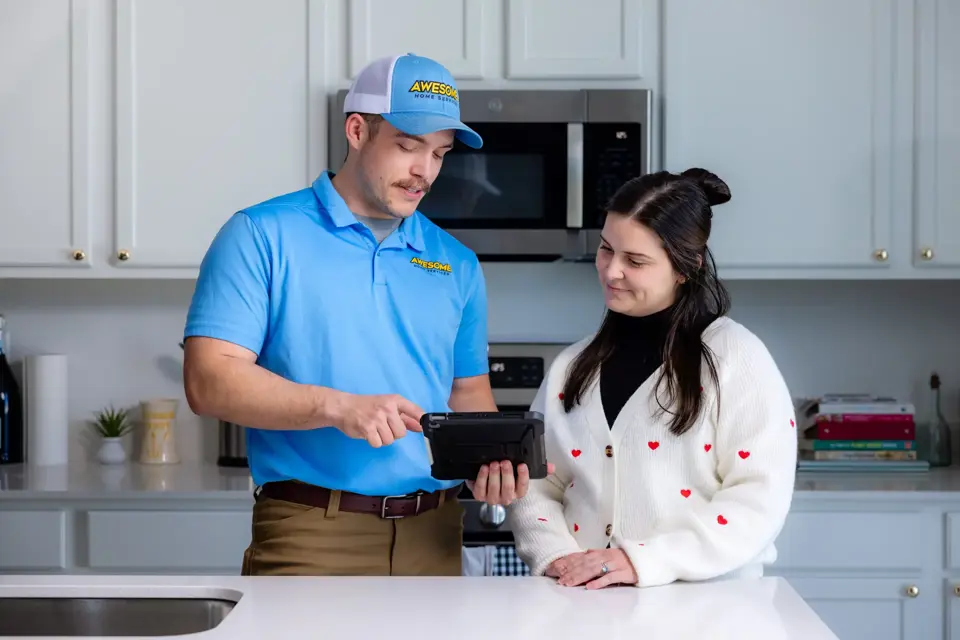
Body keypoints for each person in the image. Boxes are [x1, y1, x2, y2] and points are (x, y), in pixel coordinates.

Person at [182, 53, 535, 577]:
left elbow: (467, 395)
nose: (424, 172)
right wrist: (339, 408)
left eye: (439, 154)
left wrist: (490, 464)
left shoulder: (456, 263)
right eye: (408, 146)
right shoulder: (261, 235)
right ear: (356, 131)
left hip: (435, 534)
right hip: (311, 532)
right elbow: (208, 380)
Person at [507, 168, 798, 589]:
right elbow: (537, 482)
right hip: (584, 608)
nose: (612, 271)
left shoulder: (737, 358)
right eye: (606, 249)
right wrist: (557, 556)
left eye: (635, 261)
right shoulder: (571, 366)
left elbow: (758, 500)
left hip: (711, 610)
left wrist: (640, 561)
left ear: (686, 266)